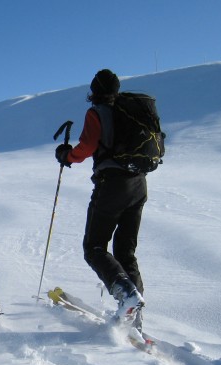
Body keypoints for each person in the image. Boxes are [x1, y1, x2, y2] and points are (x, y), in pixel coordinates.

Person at [54, 69, 147, 330]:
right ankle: (135, 317)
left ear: (94, 91)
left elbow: (86, 147)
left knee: (94, 247)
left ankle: (126, 295)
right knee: (125, 253)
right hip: (139, 185)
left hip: (112, 186)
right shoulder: (131, 110)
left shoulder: (98, 112)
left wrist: (66, 155)